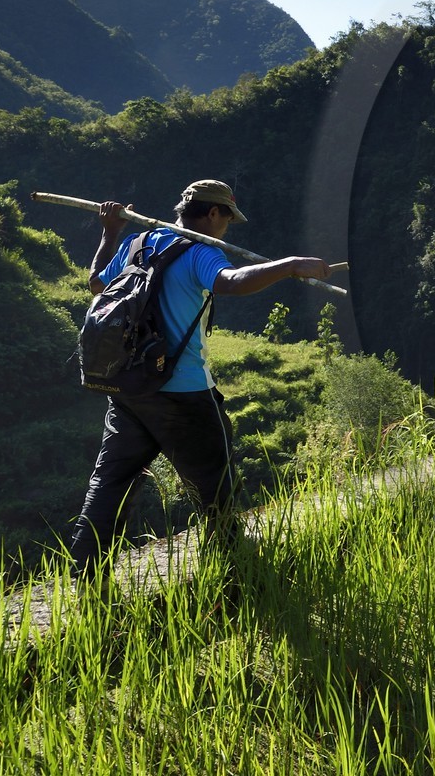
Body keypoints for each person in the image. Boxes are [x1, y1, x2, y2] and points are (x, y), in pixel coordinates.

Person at [68, 179, 332, 577]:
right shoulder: (199, 251)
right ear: (213, 213)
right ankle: (235, 571)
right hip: (183, 392)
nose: (226, 228)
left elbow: (95, 283)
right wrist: (291, 265)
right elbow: (231, 282)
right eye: (226, 219)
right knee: (215, 483)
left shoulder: (138, 243)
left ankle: (86, 575)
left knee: (110, 483)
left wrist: (110, 233)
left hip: (129, 388)